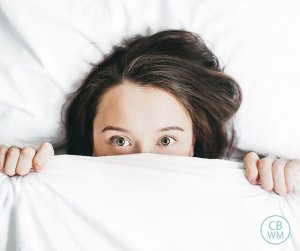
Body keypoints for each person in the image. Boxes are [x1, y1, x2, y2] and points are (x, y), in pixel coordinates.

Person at [0, 30, 299, 196]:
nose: (143, 161)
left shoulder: (247, 194)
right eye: (119, 141)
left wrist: (290, 183)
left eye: (166, 141)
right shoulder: (44, 195)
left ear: (194, 140)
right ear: (90, 139)